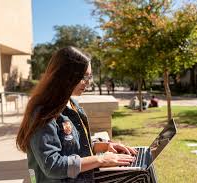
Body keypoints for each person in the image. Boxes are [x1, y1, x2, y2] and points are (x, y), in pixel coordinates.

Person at [16, 47, 137, 183]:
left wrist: (102, 146)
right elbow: (52, 166)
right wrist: (101, 159)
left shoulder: (71, 103)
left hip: (86, 178)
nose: (88, 82)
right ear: (65, 76)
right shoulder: (44, 112)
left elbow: (72, 143)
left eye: (89, 76)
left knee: (141, 171)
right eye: (83, 76)